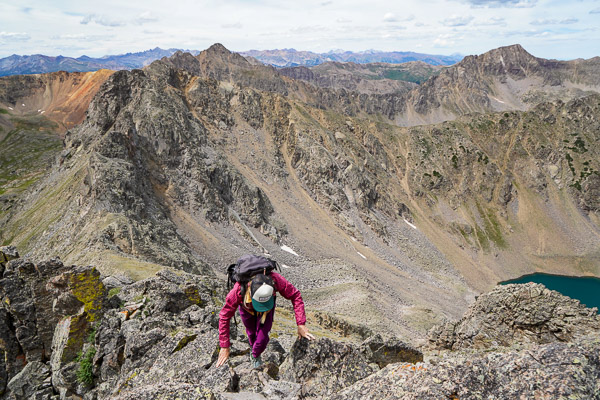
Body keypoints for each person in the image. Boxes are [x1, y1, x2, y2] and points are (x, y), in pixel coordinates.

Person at [216, 264, 315, 368]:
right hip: (246, 309)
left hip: (268, 311)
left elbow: (295, 295)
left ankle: (255, 355)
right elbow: (224, 316)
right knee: (251, 333)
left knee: (262, 338)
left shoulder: (275, 279)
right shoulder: (238, 290)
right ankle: (252, 348)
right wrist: (224, 346)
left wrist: (301, 324)